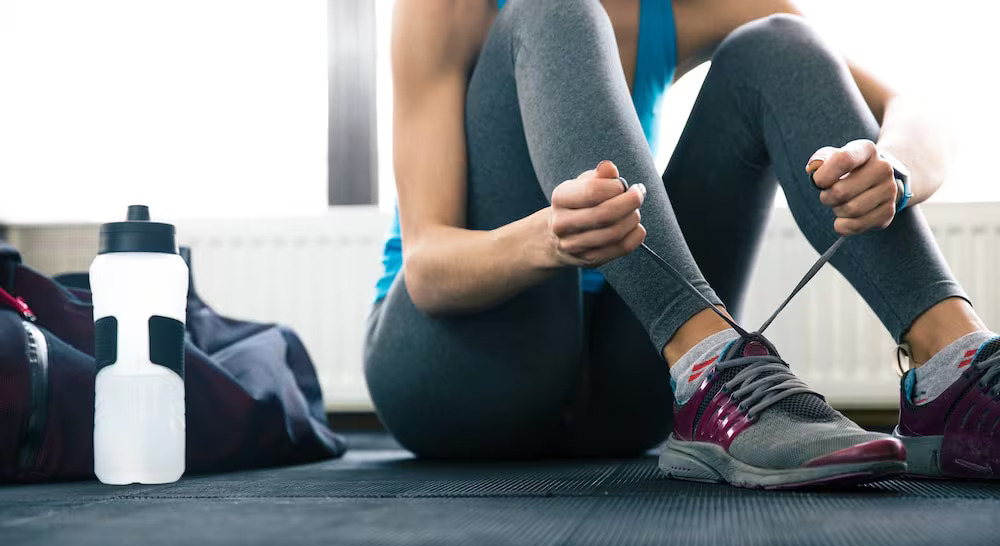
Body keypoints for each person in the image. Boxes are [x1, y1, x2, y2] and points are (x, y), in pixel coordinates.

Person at [364, 0, 999, 488]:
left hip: (624, 390)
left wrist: (896, 168)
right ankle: (709, 369)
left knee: (780, 42)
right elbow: (427, 269)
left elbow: (913, 106)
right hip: (454, 370)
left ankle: (951, 371)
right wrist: (546, 240)